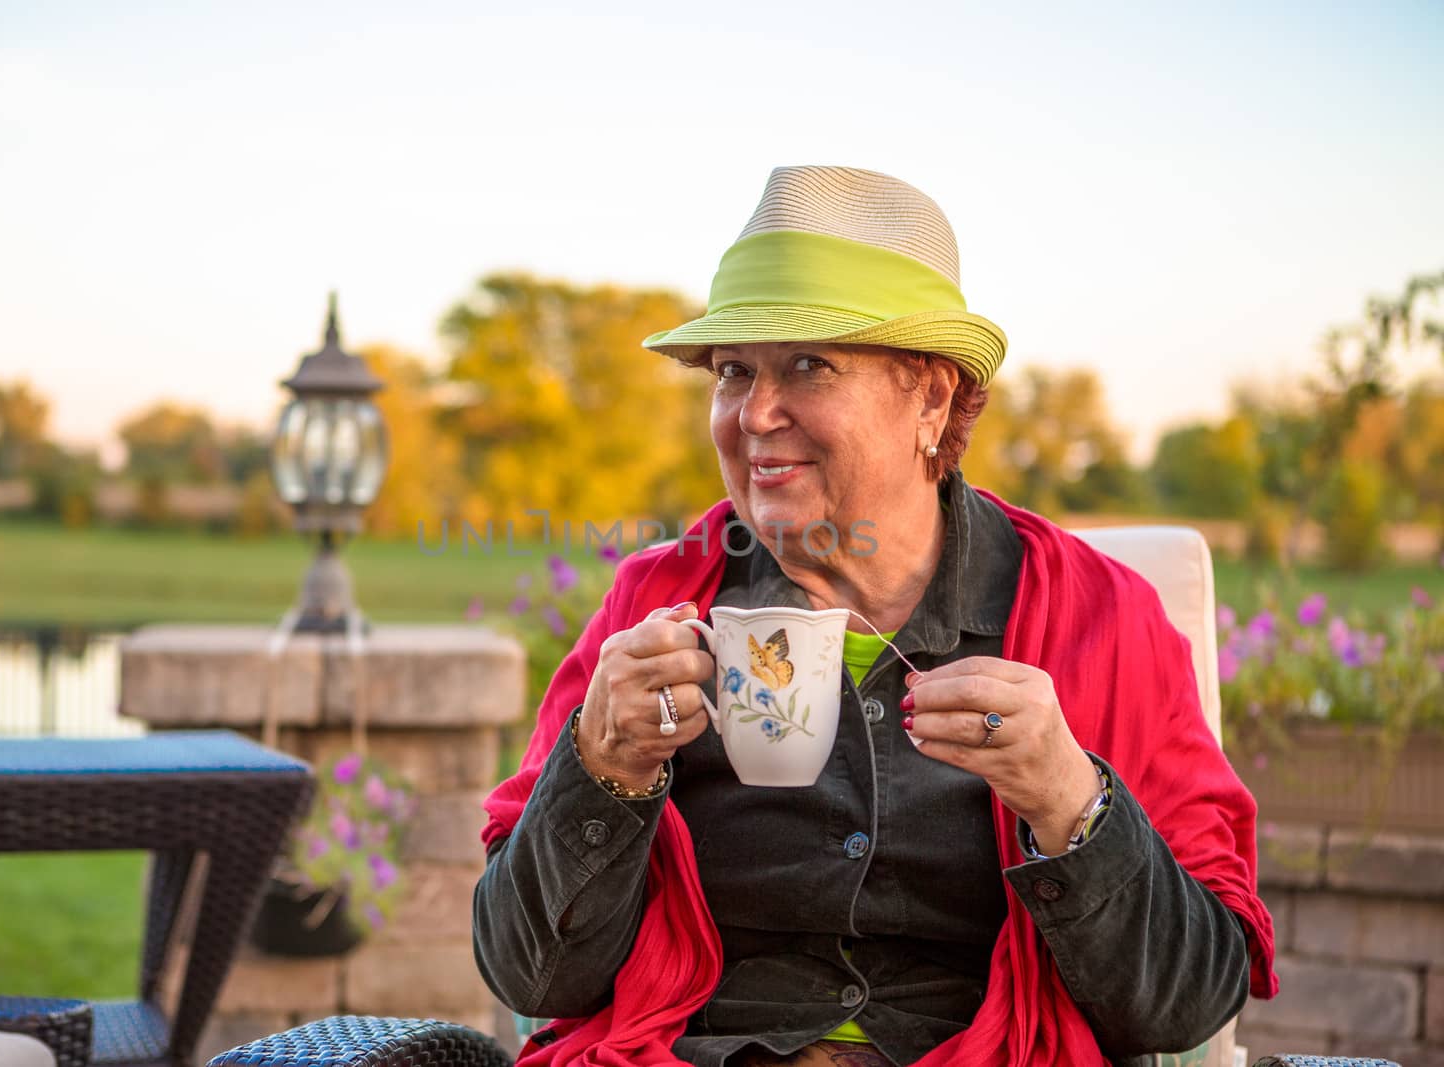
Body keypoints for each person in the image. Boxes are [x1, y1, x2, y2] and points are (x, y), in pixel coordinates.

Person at [474, 166, 1277, 1067]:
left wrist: (1066, 797)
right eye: (734, 372)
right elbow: (530, 978)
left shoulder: (1102, 618)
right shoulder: (654, 610)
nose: (755, 414)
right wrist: (603, 767)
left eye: (808, 366)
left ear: (931, 399)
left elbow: (1190, 1003)